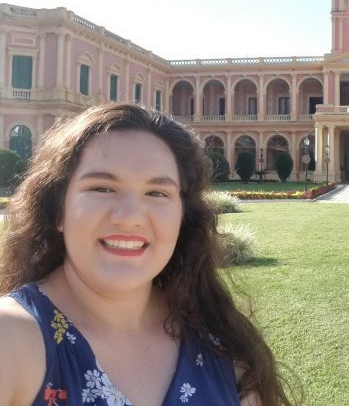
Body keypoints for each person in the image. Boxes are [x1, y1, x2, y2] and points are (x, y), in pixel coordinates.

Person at [0, 103, 296, 405]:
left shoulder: (220, 344)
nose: (130, 217)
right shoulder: (11, 337)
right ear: (57, 210)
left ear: (183, 217)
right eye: (102, 188)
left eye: (157, 193)